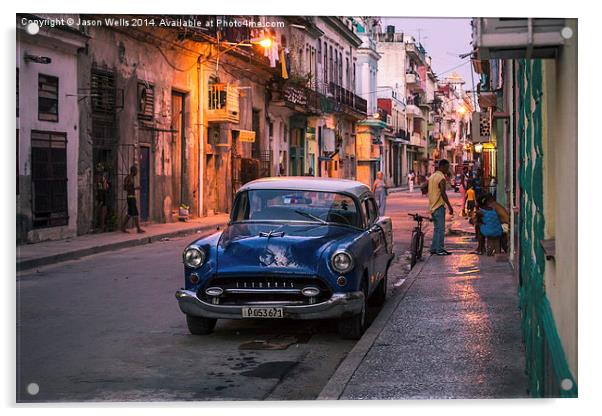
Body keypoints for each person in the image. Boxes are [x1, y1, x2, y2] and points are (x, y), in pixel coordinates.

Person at [428, 159, 454, 256]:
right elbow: (443, 193)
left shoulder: (432, 176)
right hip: (439, 206)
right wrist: (450, 206)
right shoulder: (441, 178)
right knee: (441, 229)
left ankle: (434, 248)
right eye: (447, 167)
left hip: (432, 206)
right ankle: (440, 249)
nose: (448, 170)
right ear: (442, 167)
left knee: (436, 228)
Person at [121, 165, 145, 234]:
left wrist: (135, 188)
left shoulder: (131, 178)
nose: (137, 173)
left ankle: (123, 227)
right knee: (135, 213)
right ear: (133, 171)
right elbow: (125, 188)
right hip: (130, 197)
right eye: (136, 171)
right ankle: (138, 229)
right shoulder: (128, 178)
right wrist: (135, 188)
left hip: (132, 197)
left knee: (130, 213)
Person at [94, 162, 110, 232]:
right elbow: (102, 186)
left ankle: (102, 225)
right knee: (102, 210)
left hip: (103, 193)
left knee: (104, 209)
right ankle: (101, 225)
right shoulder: (98, 177)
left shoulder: (101, 177)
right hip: (101, 193)